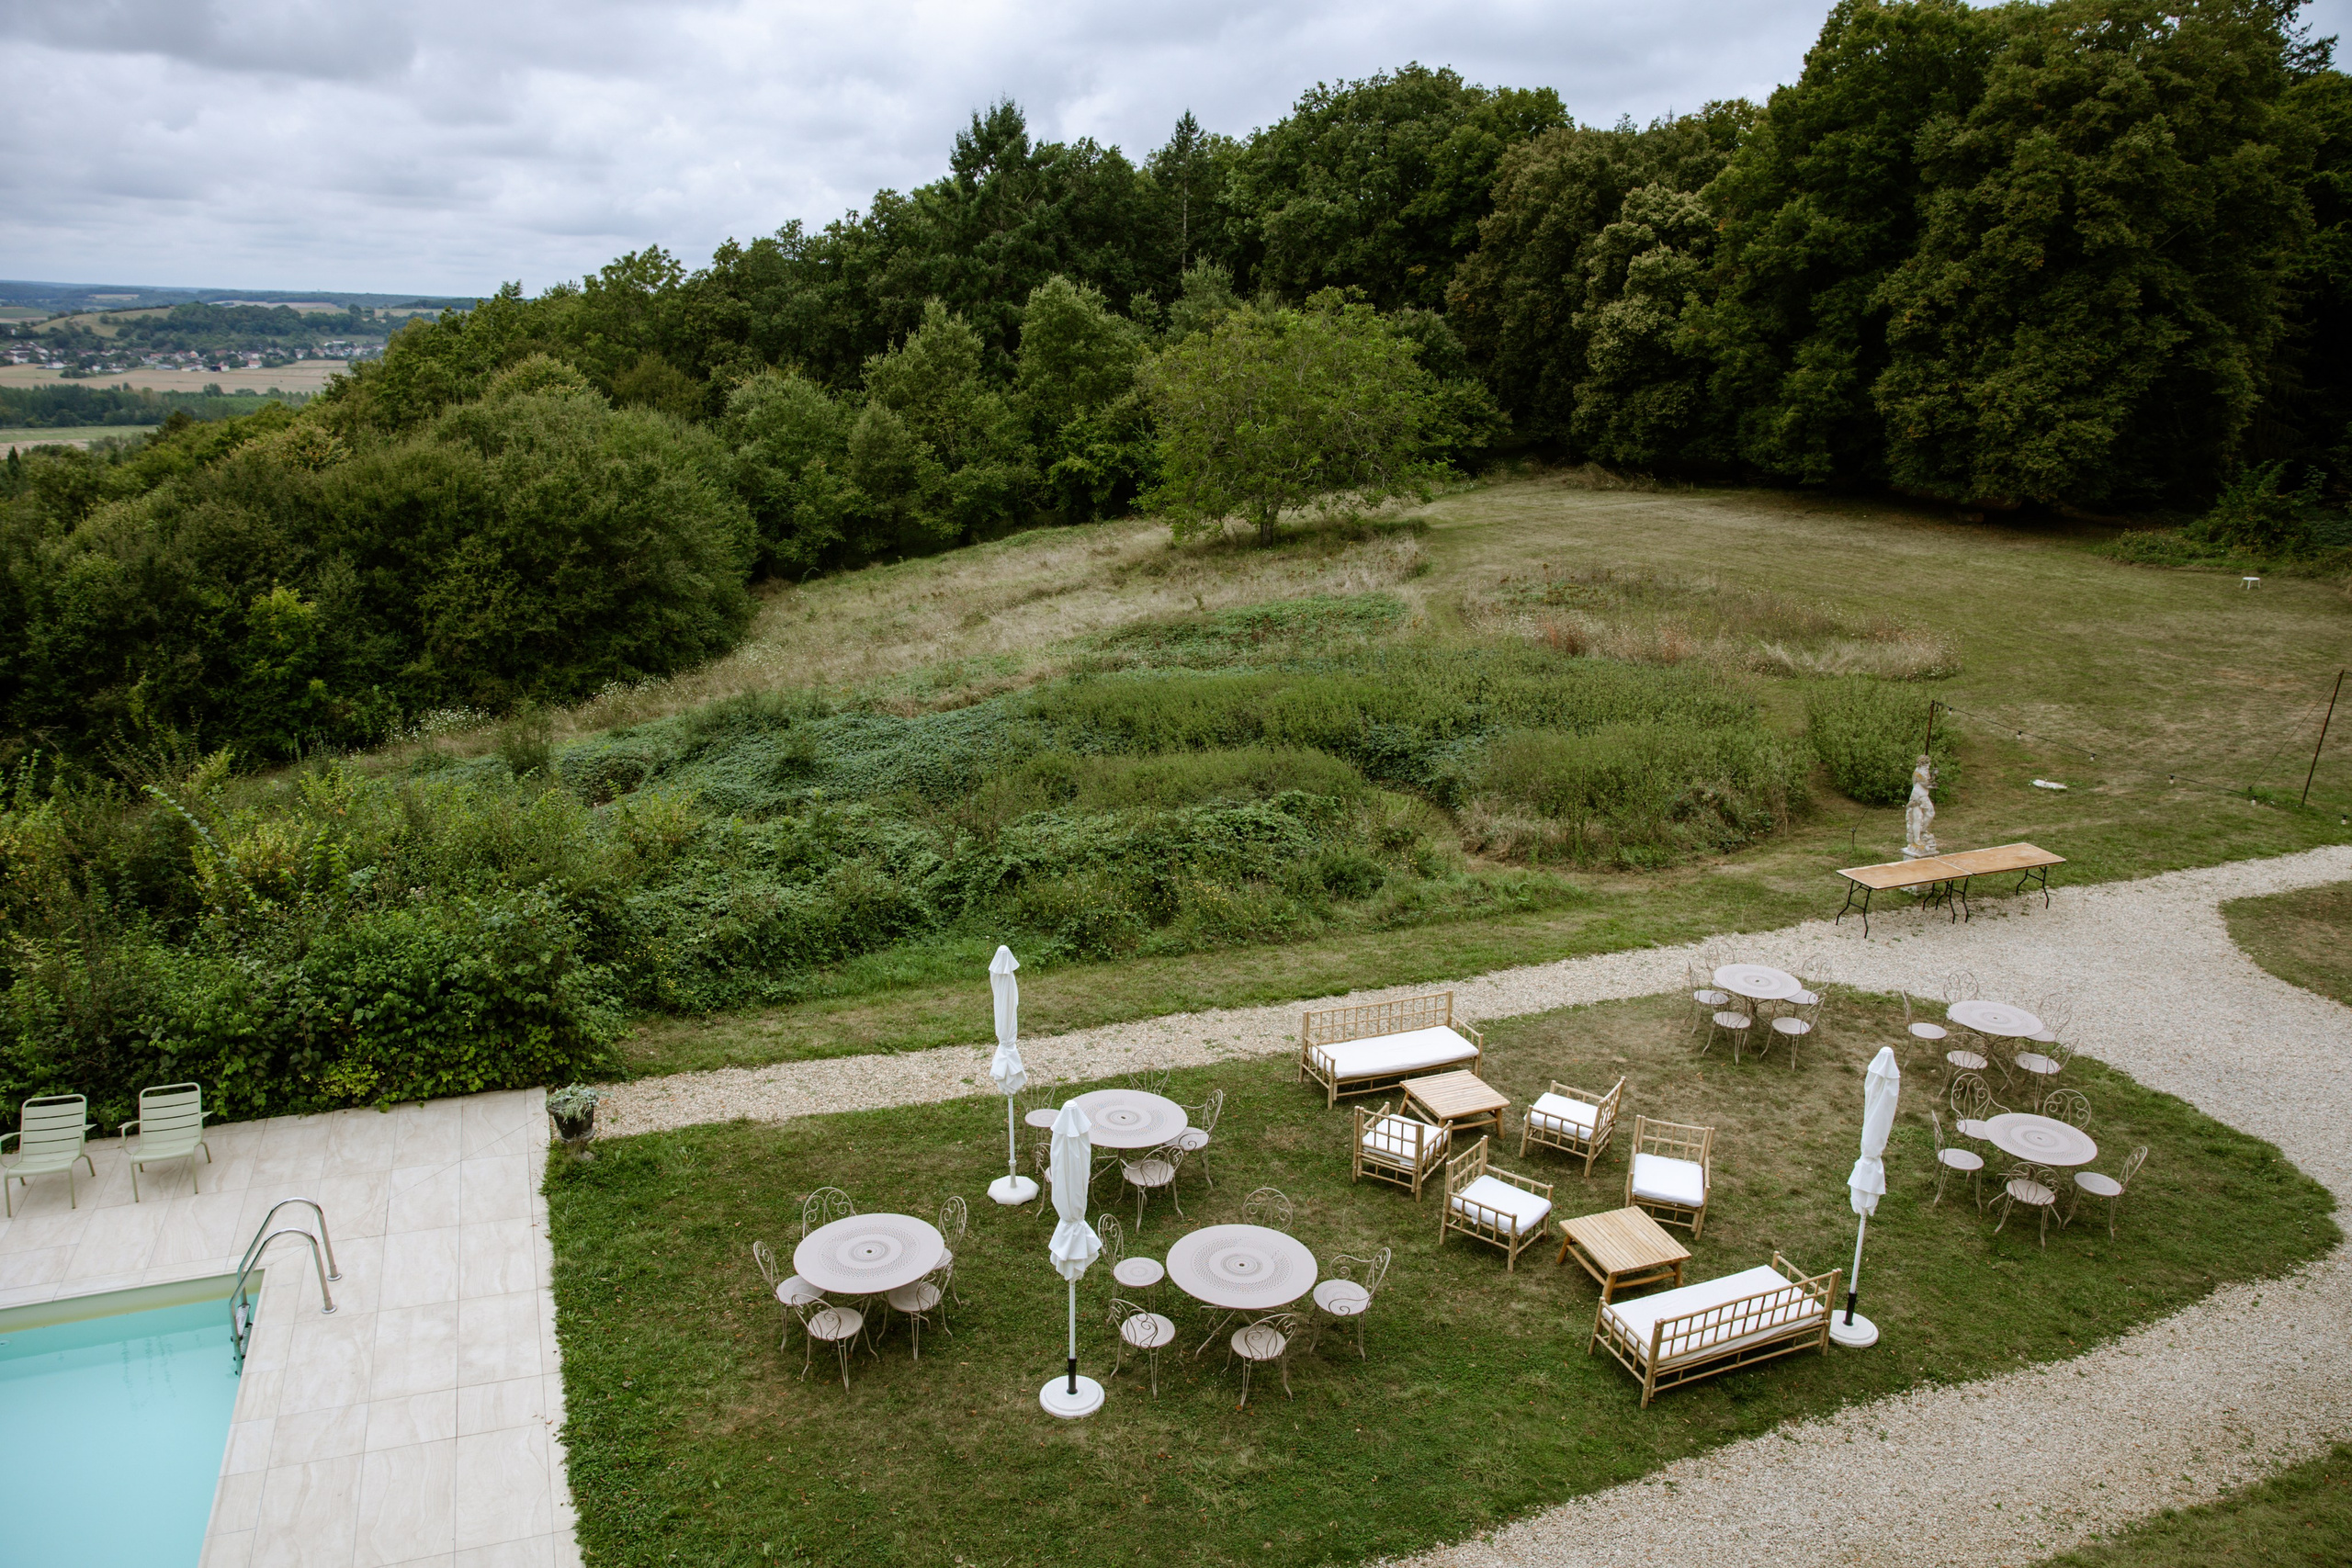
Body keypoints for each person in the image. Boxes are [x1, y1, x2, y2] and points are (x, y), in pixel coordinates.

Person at [1903, 754, 1938, 859]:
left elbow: (1929, 783)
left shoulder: (1924, 772)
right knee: (1917, 818)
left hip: (1924, 796)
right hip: (1917, 797)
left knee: (1930, 813)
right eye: (1926, 765)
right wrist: (1934, 776)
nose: (1928, 767)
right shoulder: (1918, 773)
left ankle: (1922, 830)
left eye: (1928, 765)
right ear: (1921, 765)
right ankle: (1916, 839)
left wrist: (1932, 776)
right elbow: (1928, 784)